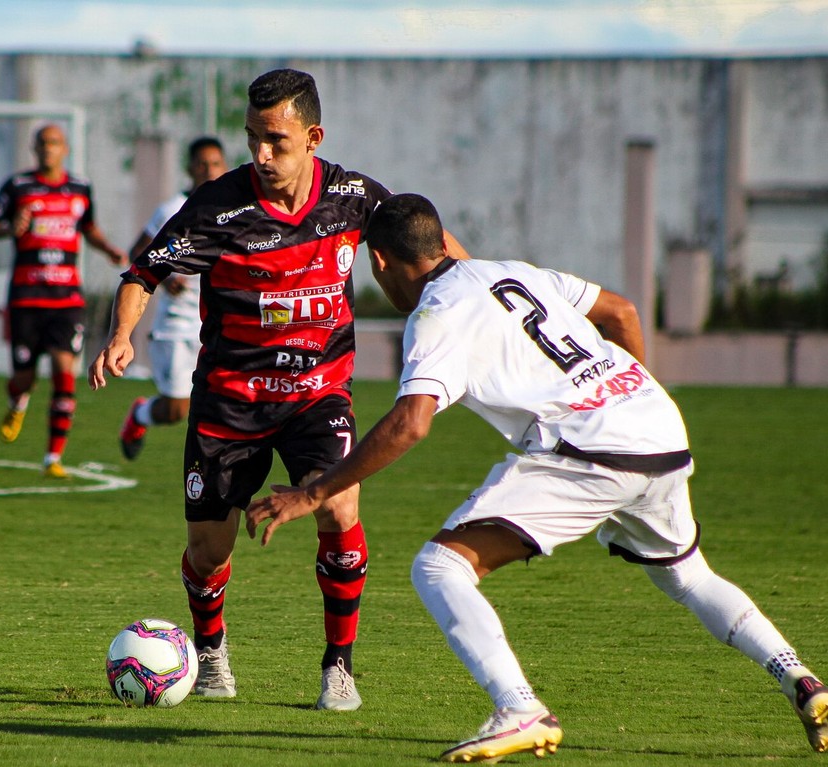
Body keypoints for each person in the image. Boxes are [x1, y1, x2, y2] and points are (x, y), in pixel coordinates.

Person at [247, 193, 828, 760]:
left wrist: (313, 492)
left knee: (439, 567)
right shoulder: (511, 271)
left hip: (591, 448)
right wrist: (623, 405)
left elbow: (409, 424)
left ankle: (519, 707)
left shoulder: (437, 315)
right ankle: (801, 680)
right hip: (657, 426)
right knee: (688, 577)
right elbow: (622, 311)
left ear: (380, 262)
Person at [89, 69, 469, 710]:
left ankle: (338, 667)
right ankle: (209, 655)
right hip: (229, 401)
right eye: (253, 139)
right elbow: (143, 271)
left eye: (276, 140)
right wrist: (122, 333)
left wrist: (475, 292)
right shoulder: (217, 207)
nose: (261, 155)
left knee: (339, 509)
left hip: (319, 395)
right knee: (209, 552)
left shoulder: (354, 198)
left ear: (313, 136)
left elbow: (430, 249)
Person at [0, 123, 127, 478]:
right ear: (34, 148)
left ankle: (53, 458)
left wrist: (109, 250)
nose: (49, 148)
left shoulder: (80, 188)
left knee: (65, 373)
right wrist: (10, 226)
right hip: (27, 296)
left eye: (55, 143)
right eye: (43, 143)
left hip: (66, 297)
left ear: (65, 149)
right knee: (24, 377)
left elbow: (88, 227)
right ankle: (18, 400)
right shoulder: (18, 187)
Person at [119, 136, 228, 460]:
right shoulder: (172, 209)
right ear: (190, 168)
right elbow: (137, 251)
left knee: (225, 402)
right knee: (176, 409)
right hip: (176, 325)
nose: (210, 170)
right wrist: (165, 281)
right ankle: (140, 414)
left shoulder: (233, 208)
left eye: (216, 163)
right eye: (202, 164)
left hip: (217, 323)